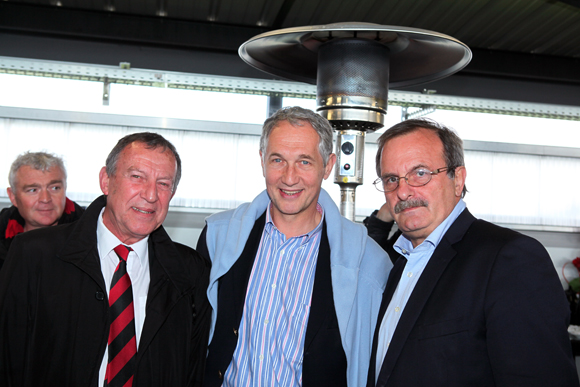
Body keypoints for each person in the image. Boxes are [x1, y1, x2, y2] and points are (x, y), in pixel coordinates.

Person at [367, 118, 579, 387]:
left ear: (458, 180)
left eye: (420, 173)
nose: (404, 191)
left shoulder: (509, 259)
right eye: (391, 179)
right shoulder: (396, 263)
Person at [197, 106, 391, 387]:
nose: (289, 178)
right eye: (278, 160)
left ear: (328, 166)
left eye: (305, 162)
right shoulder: (219, 237)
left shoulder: (367, 262)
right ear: (262, 160)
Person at [0, 132, 211, 387]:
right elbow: (8, 358)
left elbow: (194, 371)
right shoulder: (33, 255)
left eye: (163, 183)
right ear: (106, 181)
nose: (151, 195)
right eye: (137, 177)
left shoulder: (191, 271)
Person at [0, 151, 84, 267]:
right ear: (13, 196)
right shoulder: (3, 230)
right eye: (33, 190)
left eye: (54, 188)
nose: (45, 199)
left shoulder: (90, 232)